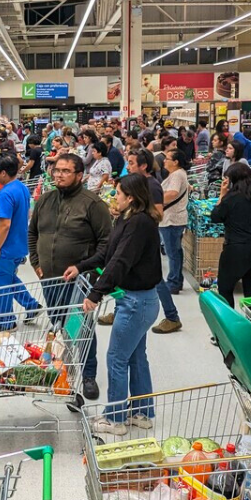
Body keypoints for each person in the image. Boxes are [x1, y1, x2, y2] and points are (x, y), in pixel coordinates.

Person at [65, 173, 162, 436]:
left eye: (117, 193)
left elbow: (120, 262)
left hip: (136, 303)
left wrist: (95, 294)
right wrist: (81, 266)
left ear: (131, 197)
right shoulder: (127, 219)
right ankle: (142, 413)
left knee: (117, 358)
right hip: (138, 301)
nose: (114, 197)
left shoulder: (139, 224)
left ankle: (115, 419)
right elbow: (108, 254)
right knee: (135, 357)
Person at [29, 153, 110, 401]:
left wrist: (89, 271)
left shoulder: (92, 204)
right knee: (58, 326)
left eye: (65, 171)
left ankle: (88, 375)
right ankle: (63, 370)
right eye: (56, 170)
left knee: (82, 329)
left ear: (79, 175)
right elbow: (32, 233)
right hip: (49, 279)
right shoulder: (45, 200)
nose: (59, 175)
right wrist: (36, 263)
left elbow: (107, 243)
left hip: (79, 282)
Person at [125, 149, 181, 334]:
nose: (128, 167)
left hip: (146, 240)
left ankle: (172, 317)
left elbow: (158, 214)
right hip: (135, 236)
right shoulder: (138, 184)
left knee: (156, 279)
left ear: (143, 166)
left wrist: (135, 212)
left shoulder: (153, 186)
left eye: (131, 163)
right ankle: (121, 310)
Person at [0, 153, 42, 332]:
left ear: (3, 173)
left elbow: (5, 224)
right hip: (19, 244)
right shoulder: (21, 187)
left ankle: (7, 322)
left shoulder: (6, 193)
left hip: (6, 248)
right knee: (9, 278)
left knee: (1, 286)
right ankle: (31, 305)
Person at [211, 163, 251, 314]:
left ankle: (230, 324)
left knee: (225, 289)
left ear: (231, 180)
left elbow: (215, 217)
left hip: (236, 249)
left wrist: (222, 194)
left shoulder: (230, 198)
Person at [160, 148, 189, 294]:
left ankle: (173, 282)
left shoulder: (177, 175)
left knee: (172, 252)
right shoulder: (178, 174)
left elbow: (173, 193)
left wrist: (156, 200)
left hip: (172, 219)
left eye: (167, 159)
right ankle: (177, 279)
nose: (164, 161)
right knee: (176, 251)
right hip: (175, 218)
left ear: (176, 162)